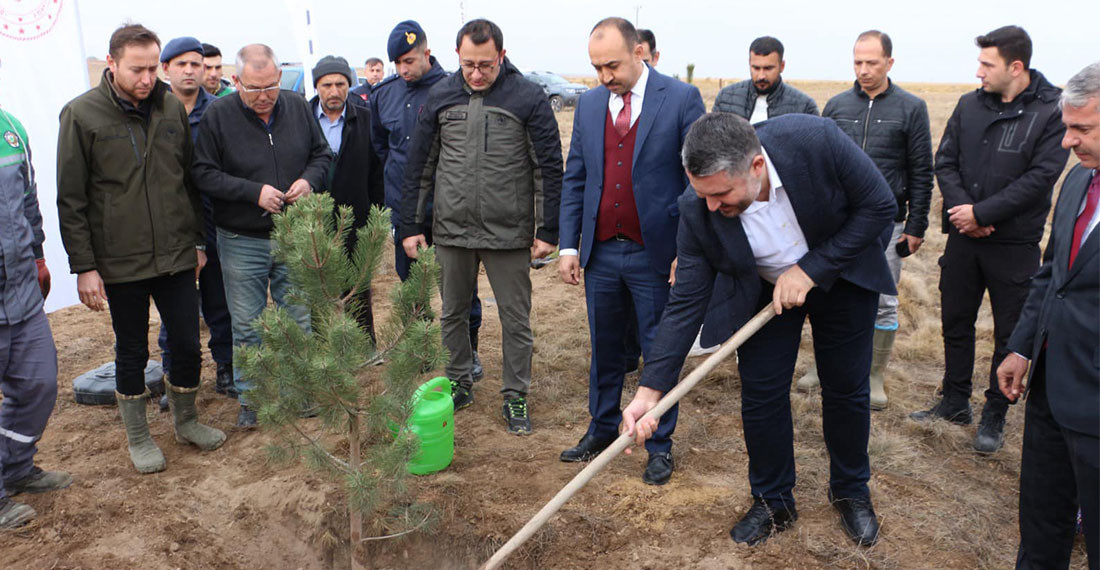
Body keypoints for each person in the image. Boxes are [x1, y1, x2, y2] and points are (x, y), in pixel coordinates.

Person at [621, 112, 896, 546]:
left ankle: (850, 491)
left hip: (841, 276)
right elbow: (686, 303)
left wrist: (811, 269)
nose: (713, 206)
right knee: (762, 394)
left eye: (722, 194)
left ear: (756, 167)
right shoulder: (698, 207)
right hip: (763, 295)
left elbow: (880, 206)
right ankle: (773, 501)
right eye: (703, 194)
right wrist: (648, 392)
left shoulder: (815, 140)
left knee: (845, 388)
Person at [57, 23, 226, 474]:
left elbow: (188, 182)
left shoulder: (170, 108)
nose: (148, 78)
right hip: (120, 260)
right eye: (137, 69)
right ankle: (139, 436)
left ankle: (186, 421)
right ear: (111, 64)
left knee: (188, 344)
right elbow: (71, 199)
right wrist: (84, 267)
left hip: (174, 254)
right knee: (132, 350)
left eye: (153, 68)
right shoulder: (81, 115)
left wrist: (195, 242)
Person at [557, 17, 704, 485]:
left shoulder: (681, 99)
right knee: (604, 346)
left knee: (660, 348)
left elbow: (694, 182)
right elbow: (576, 177)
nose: (605, 76)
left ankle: (658, 444)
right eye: (597, 67)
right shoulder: (590, 105)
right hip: (600, 253)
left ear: (639, 51)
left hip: (654, 254)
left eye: (612, 65)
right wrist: (567, 244)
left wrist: (689, 250)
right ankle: (601, 428)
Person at [399, 19, 562, 435]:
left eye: (486, 65)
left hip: (508, 232)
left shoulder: (527, 97)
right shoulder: (440, 96)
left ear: (502, 57)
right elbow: (420, 166)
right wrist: (411, 224)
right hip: (451, 230)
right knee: (452, 312)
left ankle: (515, 396)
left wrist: (549, 230)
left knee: (515, 318)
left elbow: (548, 168)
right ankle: (459, 381)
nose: (476, 73)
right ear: (456, 56)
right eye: (469, 64)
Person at [911, 26, 1069, 455]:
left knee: (1010, 334)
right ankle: (954, 400)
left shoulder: (1052, 112)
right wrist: (965, 214)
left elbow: (1041, 178)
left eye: (987, 64)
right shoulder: (968, 105)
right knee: (955, 321)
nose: (978, 71)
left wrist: (984, 214)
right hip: (964, 239)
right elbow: (946, 162)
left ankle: (995, 414)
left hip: (1014, 245)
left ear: (1015, 67)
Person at [192, 44, 332, 427]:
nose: (265, 96)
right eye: (254, 89)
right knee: (249, 324)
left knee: (297, 318)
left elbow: (322, 155)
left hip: (293, 233)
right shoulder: (218, 116)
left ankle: (300, 394)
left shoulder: (298, 106)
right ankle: (253, 400)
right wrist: (252, 192)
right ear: (235, 81)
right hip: (241, 239)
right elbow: (203, 173)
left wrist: (308, 181)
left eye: (271, 85)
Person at [998, 62, 1100, 570]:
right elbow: (1050, 277)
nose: (1067, 142)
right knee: (1041, 530)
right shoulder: (1078, 185)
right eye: (1067, 127)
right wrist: (1021, 347)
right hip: (1049, 393)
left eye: (1082, 129)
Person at [800, 30, 933, 408]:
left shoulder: (911, 108)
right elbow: (819, 161)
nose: (863, 70)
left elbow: (922, 170)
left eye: (871, 62)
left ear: (889, 63)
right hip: (837, 222)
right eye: (857, 62)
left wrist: (916, 226)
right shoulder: (838, 106)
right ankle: (819, 364)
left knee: (884, 301)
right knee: (824, 292)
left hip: (886, 224)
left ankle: (873, 375)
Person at [371, 20, 483, 379]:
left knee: (460, 288)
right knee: (412, 287)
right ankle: (419, 347)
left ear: (427, 53)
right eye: (398, 64)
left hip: (448, 208)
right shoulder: (384, 94)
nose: (404, 70)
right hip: (405, 212)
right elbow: (380, 149)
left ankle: (469, 353)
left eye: (410, 61)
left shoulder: (454, 89)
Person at [0, 104, 71, 529]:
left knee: (40, 384)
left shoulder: (9, 128)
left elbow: (29, 198)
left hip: (20, 290)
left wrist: (40, 255)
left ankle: (16, 468)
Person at [156, 36, 235, 402]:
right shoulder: (152, 111)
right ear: (166, 68)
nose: (190, 71)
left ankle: (226, 369)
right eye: (181, 64)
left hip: (216, 220)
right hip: (169, 225)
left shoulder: (220, 111)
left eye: (196, 64)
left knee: (221, 303)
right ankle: (174, 378)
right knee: (175, 310)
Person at [310, 55, 385, 338]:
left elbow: (377, 171)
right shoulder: (303, 119)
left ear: (349, 85)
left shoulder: (365, 118)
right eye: (327, 84)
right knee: (315, 284)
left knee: (357, 284)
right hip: (315, 218)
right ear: (317, 86)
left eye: (340, 84)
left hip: (356, 214)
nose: (334, 91)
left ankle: (363, 343)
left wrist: (376, 215)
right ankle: (319, 344)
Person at [713, 36, 818, 123]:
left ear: (782, 66)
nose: (761, 76)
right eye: (756, 68)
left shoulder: (804, 107)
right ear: (749, 63)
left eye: (768, 68)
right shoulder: (725, 99)